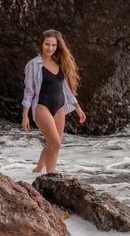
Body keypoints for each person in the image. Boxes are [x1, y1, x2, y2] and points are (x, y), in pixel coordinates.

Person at [21, 29, 86, 173]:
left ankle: (38, 169)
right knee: (56, 143)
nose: (50, 48)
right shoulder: (32, 65)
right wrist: (25, 116)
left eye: (53, 45)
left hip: (60, 107)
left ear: (57, 46)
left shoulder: (60, 63)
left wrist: (78, 108)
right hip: (42, 107)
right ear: (41, 44)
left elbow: (66, 89)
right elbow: (29, 91)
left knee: (53, 143)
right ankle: (51, 176)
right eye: (47, 44)